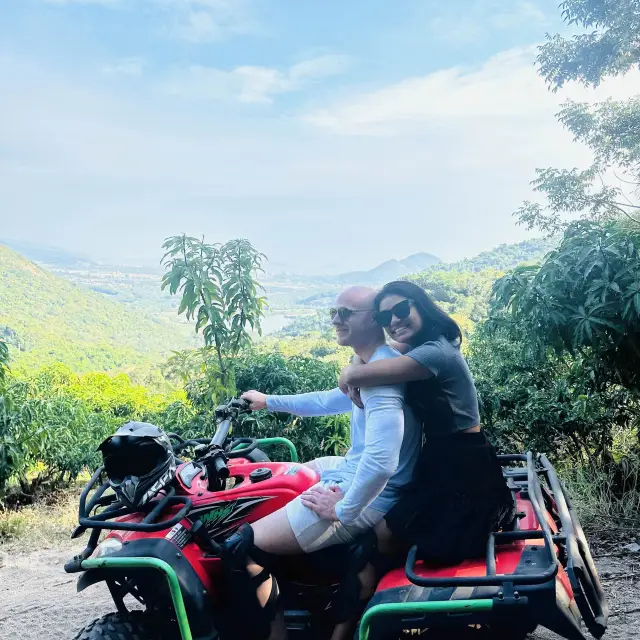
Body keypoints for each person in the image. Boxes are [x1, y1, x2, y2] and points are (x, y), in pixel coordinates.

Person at [223, 285, 421, 640]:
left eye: (346, 313)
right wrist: (268, 401)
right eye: (334, 312)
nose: (336, 319)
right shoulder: (372, 365)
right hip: (352, 468)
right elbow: (326, 400)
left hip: (371, 488)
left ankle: (276, 635)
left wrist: (343, 508)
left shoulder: (381, 379)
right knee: (289, 477)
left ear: (375, 320)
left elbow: (380, 462)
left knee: (244, 546)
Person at [336, 280, 514, 612]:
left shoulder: (436, 352)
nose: (394, 321)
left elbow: (360, 372)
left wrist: (350, 374)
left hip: (461, 463)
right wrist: (357, 368)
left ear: (422, 306)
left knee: (386, 532)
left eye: (401, 310)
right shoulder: (422, 346)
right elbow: (368, 363)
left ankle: (380, 603)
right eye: (385, 316)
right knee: (390, 528)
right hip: (441, 456)